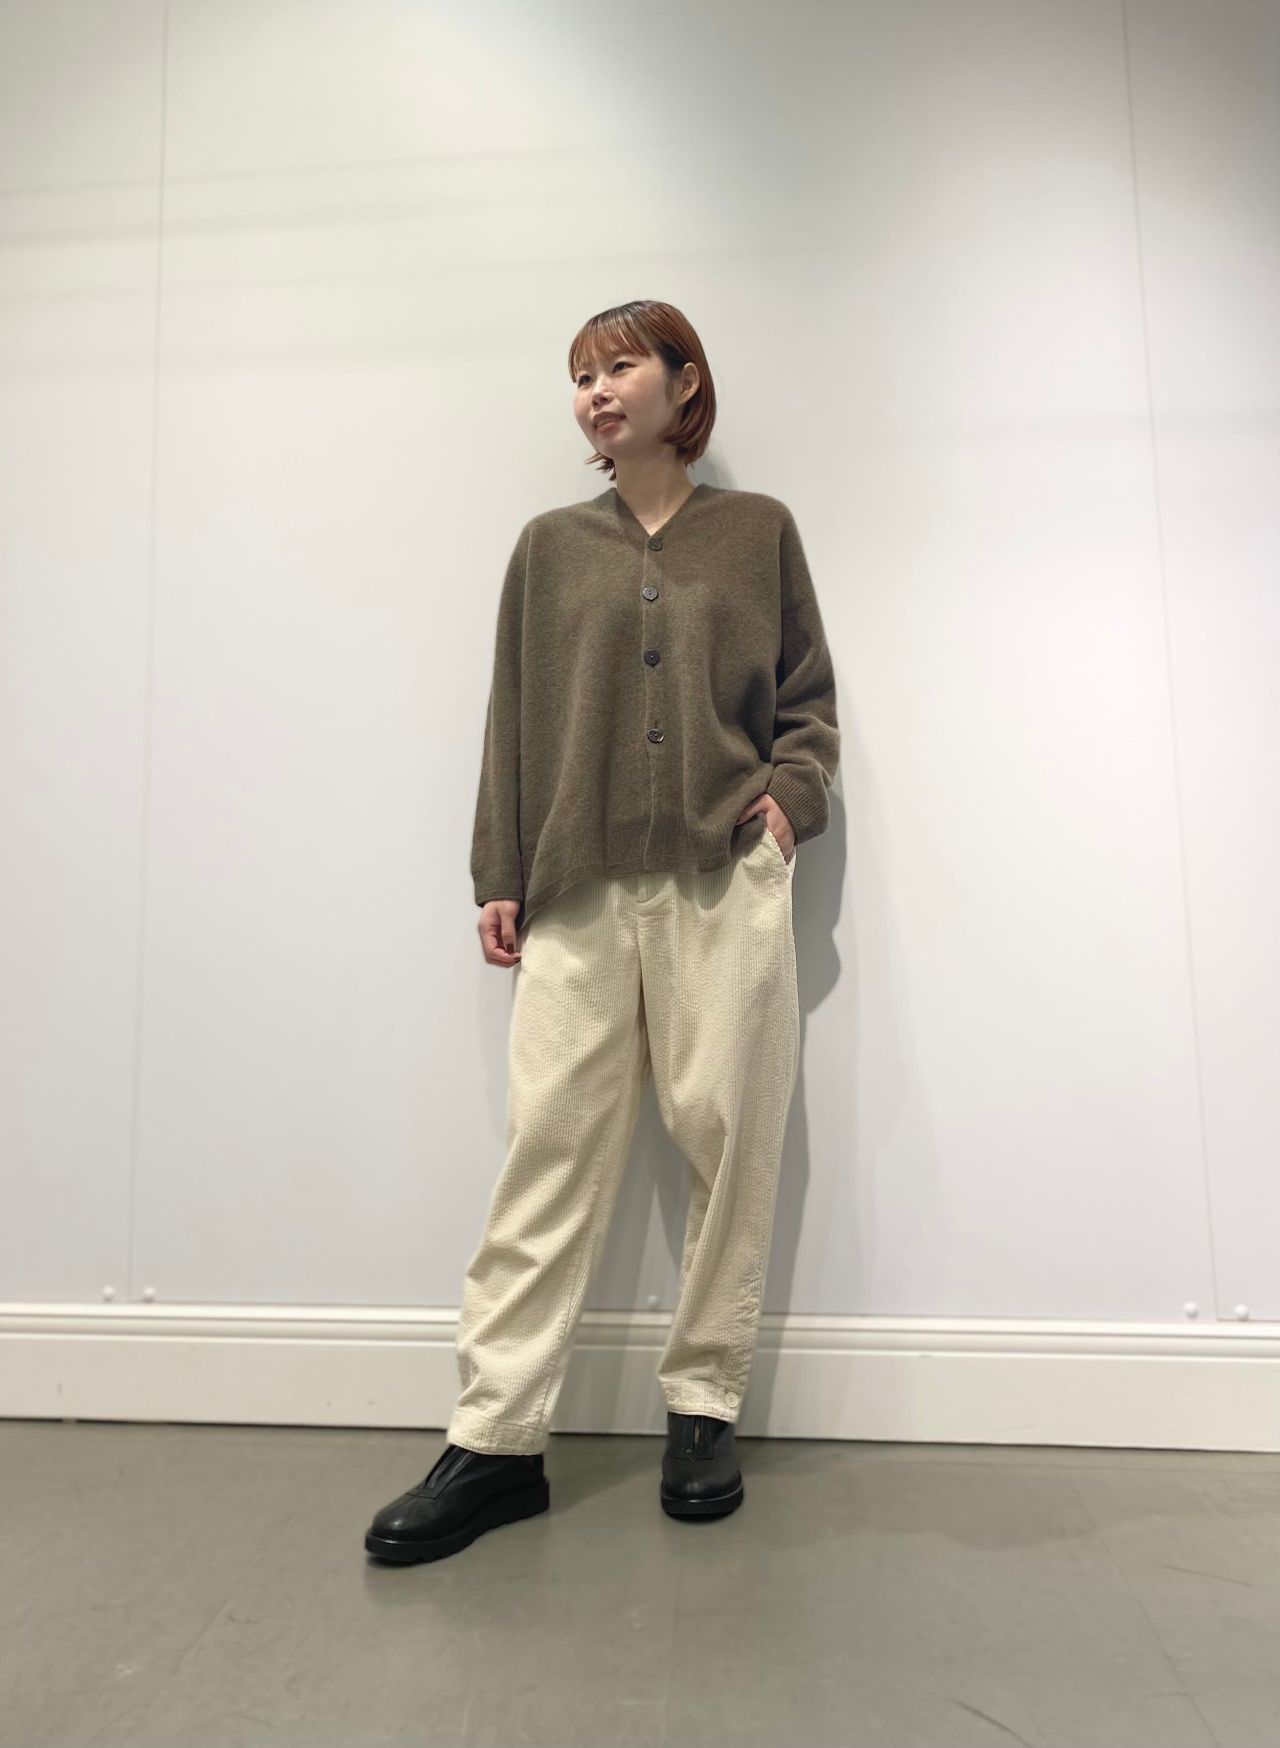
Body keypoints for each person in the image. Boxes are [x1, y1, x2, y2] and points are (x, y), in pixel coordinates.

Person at [365, 300, 840, 1565]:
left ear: (683, 382)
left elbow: (806, 700)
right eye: (580, 374)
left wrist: (786, 806)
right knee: (548, 1150)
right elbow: (510, 714)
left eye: (620, 364)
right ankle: (493, 1440)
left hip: (720, 874)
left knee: (727, 1136)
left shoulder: (756, 532)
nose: (596, 389)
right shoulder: (548, 547)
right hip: (575, 886)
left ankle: (702, 1405)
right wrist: (498, 866)